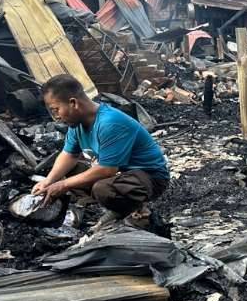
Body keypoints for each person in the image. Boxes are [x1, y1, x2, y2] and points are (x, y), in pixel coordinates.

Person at [33, 74, 170, 226]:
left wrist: (63, 185)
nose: (56, 117)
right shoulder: (76, 123)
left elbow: (107, 170)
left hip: (150, 177)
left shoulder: (110, 123)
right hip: (122, 175)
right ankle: (115, 205)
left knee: (103, 189)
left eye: (56, 110)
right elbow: (69, 154)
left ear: (73, 103)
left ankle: (136, 210)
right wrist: (49, 181)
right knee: (72, 171)